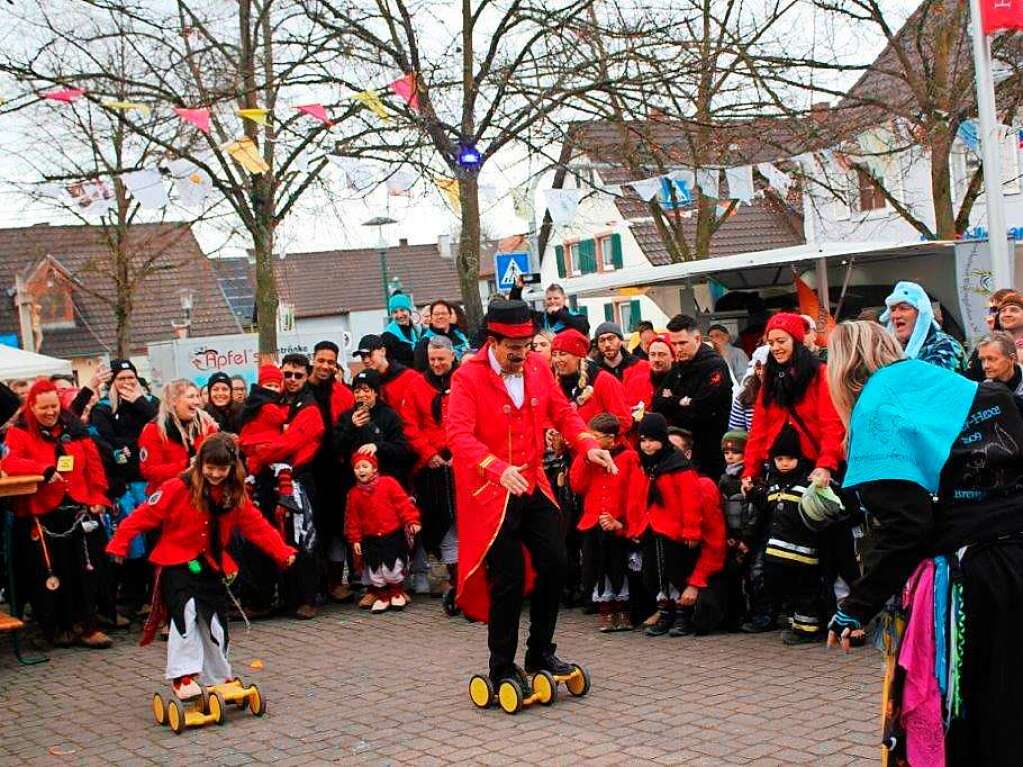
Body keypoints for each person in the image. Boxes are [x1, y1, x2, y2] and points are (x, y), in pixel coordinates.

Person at [825, 321, 1023, 763]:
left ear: (840, 370)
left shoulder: (876, 410)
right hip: (1013, 552)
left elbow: (905, 526)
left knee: (976, 708)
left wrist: (856, 605)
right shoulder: (941, 381)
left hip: (975, 578)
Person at [447, 298, 615, 689]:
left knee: (556, 564)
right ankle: (501, 666)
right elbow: (457, 435)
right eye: (513, 348)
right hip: (491, 492)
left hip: (532, 483)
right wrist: (497, 468)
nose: (521, 355)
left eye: (526, 346)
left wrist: (587, 444)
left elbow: (563, 412)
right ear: (492, 341)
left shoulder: (538, 367)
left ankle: (540, 651)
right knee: (508, 577)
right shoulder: (467, 377)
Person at [106, 434, 296, 701]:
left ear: (232, 468)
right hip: (178, 561)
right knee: (187, 615)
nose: (215, 474)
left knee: (216, 622)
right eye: (210, 467)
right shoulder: (177, 487)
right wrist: (119, 544)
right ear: (200, 463)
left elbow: (257, 526)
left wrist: (282, 551)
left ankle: (218, 676)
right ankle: (183, 676)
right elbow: (143, 516)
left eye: (222, 468)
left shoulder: (234, 494)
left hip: (209, 564)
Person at [4, 379, 112, 648]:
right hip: (43, 511)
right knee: (51, 571)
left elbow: (94, 464)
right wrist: (43, 469)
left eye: (54, 406)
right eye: (44, 408)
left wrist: (98, 496)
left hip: (77, 506)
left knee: (86, 571)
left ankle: (89, 625)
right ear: (32, 406)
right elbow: (10, 461)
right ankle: (59, 627)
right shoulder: (19, 431)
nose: (50, 412)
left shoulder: (74, 427)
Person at [237, 358, 322, 620]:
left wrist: (258, 453)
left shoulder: (309, 408)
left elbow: (291, 443)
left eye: (298, 375)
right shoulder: (270, 404)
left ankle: (304, 598)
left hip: (294, 479)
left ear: (307, 376)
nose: (292, 379)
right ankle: (264, 597)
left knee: (299, 537)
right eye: (288, 374)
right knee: (262, 538)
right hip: (264, 479)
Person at [335, 369, 415, 607]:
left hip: (385, 488)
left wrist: (377, 444)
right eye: (357, 390)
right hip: (356, 490)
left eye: (366, 390)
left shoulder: (389, 416)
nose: (361, 395)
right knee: (361, 537)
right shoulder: (346, 417)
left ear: (375, 392)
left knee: (391, 539)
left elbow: (404, 450)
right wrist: (351, 427)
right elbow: (335, 448)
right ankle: (369, 585)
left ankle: (397, 586)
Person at [741, 313, 845, 494]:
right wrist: (750, 471)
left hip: (813, 466)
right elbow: (758, 429)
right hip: (777, 467)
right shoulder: (770, 379)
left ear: (796, 340)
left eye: (781, 341)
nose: (775, 348)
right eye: (771, 343)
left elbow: (831, 424)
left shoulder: (820, 374)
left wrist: (826, 464)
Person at [90, 359, 159, 615]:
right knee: (130, 541)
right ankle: (131, 597)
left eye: (131, 378)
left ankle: (154, 595)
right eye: (122, 379)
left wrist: (140, 403)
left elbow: (160, 426)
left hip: (149, 482)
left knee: (153, 538)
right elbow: (107, 444)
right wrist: (133, 446)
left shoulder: (149, 404)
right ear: (113, 382)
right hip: (122, 485)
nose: (128, 383)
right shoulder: (103, 409)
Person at [569, 413, 645, 632]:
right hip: (593, 521)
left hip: (617, 522)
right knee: (597, 568)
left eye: (595, 436)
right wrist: (585, 458)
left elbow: (635, 495)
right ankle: (605, 610)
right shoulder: (588, 455)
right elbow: (577, 485)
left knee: (619, 567)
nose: (589, 439)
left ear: (611, 438)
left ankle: (623, 609)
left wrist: (624, 524)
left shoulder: (629, 457)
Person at [635, 413, 708, 637]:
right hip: (653, 528)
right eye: (643, 440)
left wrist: (692, 529)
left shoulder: (678, 465)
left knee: (676, 573)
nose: (647, 445)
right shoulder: (648, 464)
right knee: (657, 575)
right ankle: (665, 613)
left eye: (652, 440)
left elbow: (690, 500)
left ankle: (682, 616)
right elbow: (640, 498)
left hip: (674, 529)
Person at [401, 335, 460, 614]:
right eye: (432, 359)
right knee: (442, 522)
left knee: (466, 521)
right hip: (433, 466)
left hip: (464, 462)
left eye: (441, 359)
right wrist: (428, 454)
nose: (436, 364)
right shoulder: (416, 384)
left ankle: (468, 580)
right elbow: (409, 425)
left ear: (451, 357)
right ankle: (454, 578)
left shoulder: (464, 379)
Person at [752, 427, 827, 645]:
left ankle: (808, 629)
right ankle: (797, 624)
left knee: (805, 592)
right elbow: (766, 511)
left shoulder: (807, 486)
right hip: (777, 553)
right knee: (787, 591)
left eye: (790, 458)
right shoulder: (773, 486)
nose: (784, 463)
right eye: (780, 458)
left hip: (803, 554)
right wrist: (754, 494)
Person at [306, 341, 356, 603]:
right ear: (313, 359)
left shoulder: (344, 394)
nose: (325, 365)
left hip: (337, 469)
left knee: (338, 528)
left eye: (330, 361)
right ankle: (315, 584)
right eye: (321, 360)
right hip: (308, 469)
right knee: (313, 528)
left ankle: (336, 582)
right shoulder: (302, 389)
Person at [656, 315, 733, 479]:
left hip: (709, 451)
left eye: (682, 343)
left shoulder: (714, 365)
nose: (677, 349)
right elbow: (658, 402)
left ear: (697, 339)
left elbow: (703, 410)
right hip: (680, 449)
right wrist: (682, 401)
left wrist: (673, 400)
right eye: (674, 344)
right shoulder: (679, 366)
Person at [345, 453, 422, 613]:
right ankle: (382, 596)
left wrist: (412, 521)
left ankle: (396, 592)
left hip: (391, 534)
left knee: (392, 568)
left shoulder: (388, 483)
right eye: (357, 467)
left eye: (364, 466)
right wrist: (355, 540)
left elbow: (403, 504)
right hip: (370, 538)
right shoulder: (354, 494)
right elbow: (353, 520)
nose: (361, 470)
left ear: (374, 468)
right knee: (375, 570)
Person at [139, 380, 219, 495]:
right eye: (191, 397)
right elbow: (149, 471)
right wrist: (187, 465)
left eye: (198, 396)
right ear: (173, 401)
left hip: (202, 494)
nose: (197, 402)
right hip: (168, 496)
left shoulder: (207, 425)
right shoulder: (154, 430)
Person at [552, 329, 632, 434]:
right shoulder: (555, 385)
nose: (557, 359)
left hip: (603, 449)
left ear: (579, 357)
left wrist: (592, 436)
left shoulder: (604, 380)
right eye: (554, 354)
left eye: (562, 354)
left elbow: (624, 421)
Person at [881, 281, 965, 371]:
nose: (896, 316)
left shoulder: (945, 347)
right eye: (893, 310)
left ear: (921, 313)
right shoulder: (893, 351)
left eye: (904, 308)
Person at [594, 321, 652, 417]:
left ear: (620, 340)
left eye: (611, 338)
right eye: (602, 340)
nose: (607, 344)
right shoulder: (594, 373)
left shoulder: (642, 367)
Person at [510, 279, 590, 334]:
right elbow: (518, 309)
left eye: (556, 298)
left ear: (564, 299)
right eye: (549, 299)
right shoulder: (539, 318)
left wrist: (558, 313)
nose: (552, 301)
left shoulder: (576, 317)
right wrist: (517, 289)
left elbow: (584, 328)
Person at [413, 300, 470, 370]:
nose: (440, 316)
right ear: (431, 318)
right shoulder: (424, 343)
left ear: (450, 316)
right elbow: (422, 371)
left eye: (444, 313)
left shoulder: (459, 334)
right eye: (436, 314)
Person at [728, 346, 769, 432]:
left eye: (766, 366)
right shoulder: (745, 396)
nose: (761, 371)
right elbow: (735, 434)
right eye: (758, 366)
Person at [380, 292, 423, 368]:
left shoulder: (417, 331)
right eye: (395, 312)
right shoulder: (388, 336)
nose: (399, 315)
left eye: (402, 310)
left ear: (409, 311)